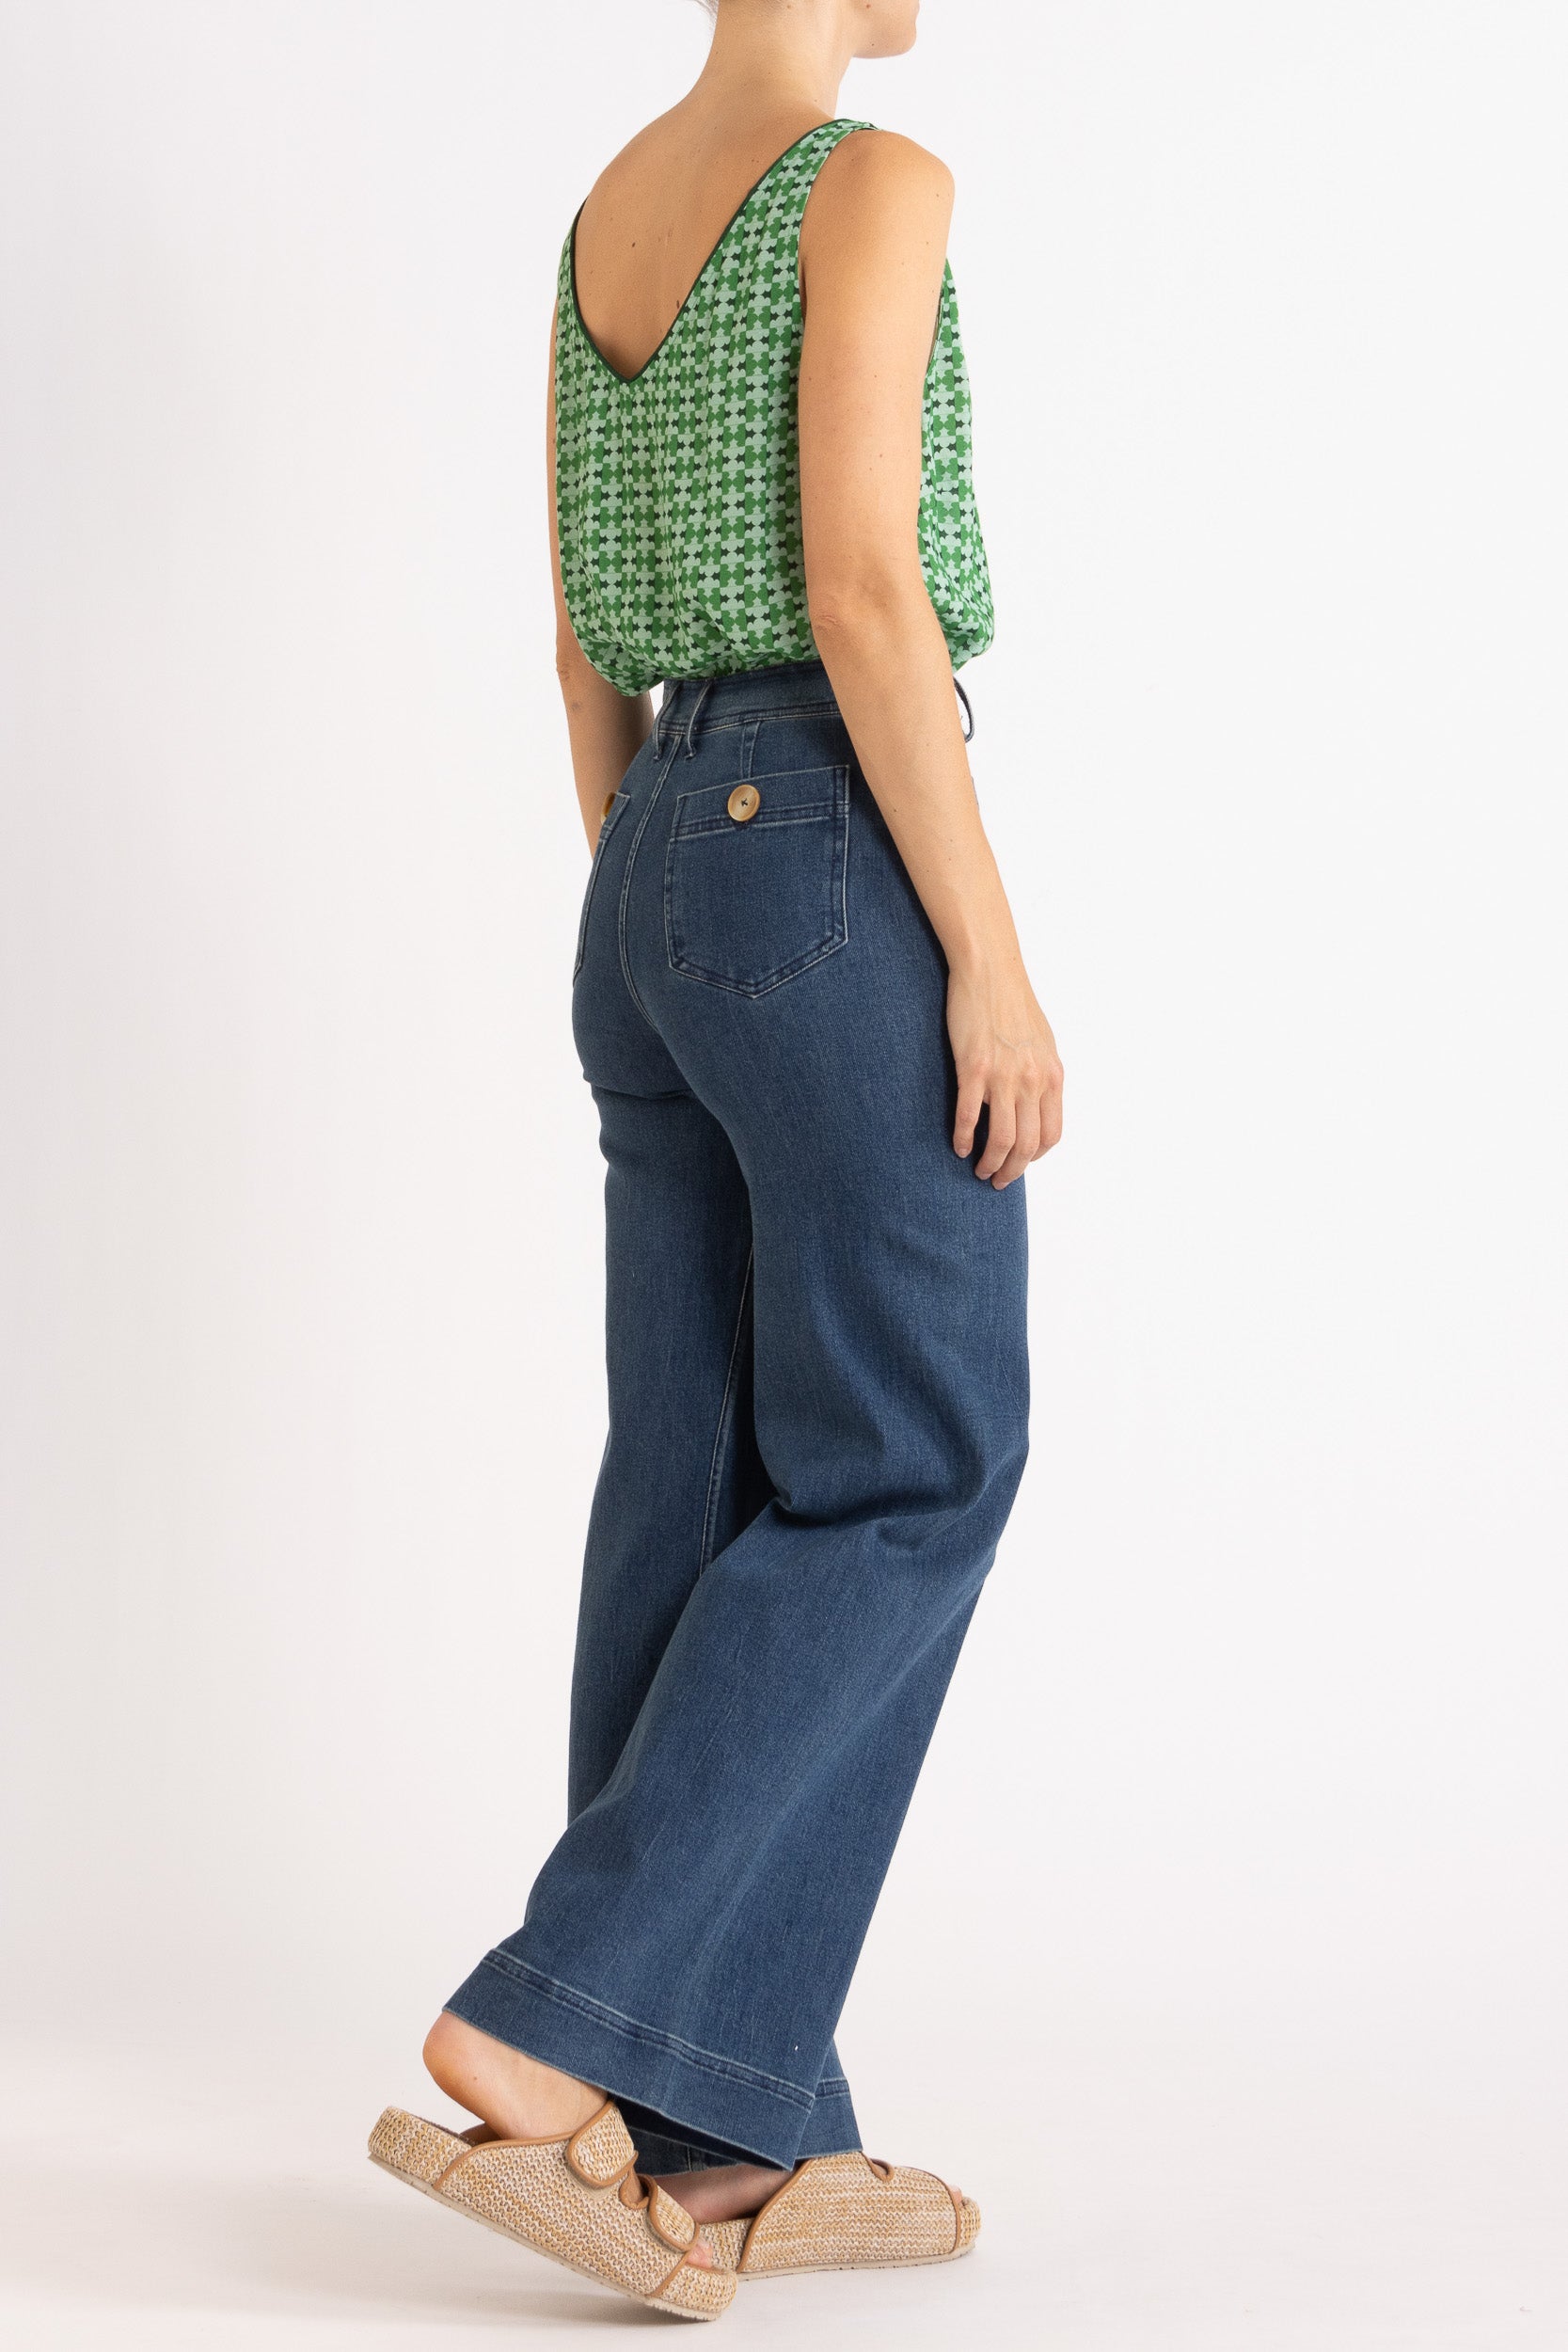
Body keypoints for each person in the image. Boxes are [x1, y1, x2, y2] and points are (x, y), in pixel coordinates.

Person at [370, 0, 1063, 2318]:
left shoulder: (605, 224)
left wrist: (652, 885)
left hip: (652, 844)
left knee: (702, 1467)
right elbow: (863, 583)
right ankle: (567, 2007)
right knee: (912, 1460)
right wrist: (982, 950)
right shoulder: (870, 183)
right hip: (831, 835)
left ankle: (728, 2111)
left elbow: (579, 624)